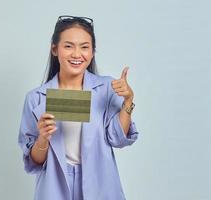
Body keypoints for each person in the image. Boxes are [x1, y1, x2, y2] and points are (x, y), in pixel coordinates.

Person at [18, 15, 139, 200]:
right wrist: (43, 137)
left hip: (100, 182)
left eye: (84, 47)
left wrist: (128, 101)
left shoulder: (107, 88)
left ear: (92, 52)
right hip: (54, 186)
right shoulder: (35, 98)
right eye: (68, 46)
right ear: (54, 49)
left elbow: (117, 139)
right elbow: (35, 162)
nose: (76, 54)